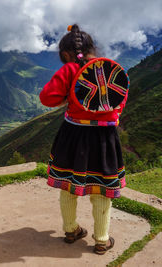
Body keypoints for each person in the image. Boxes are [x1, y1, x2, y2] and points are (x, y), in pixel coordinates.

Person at [39, 24, 128, 255]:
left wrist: (67, 96)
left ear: (66, 54)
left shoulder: (69, 70)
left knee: (68, 186)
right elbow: (119, 100)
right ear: (92, 48)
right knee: (102, 189)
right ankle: (101, 240)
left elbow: (47, 97)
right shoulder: (110, 69)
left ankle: (71, 230)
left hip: (73, 137)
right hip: (105, 139)